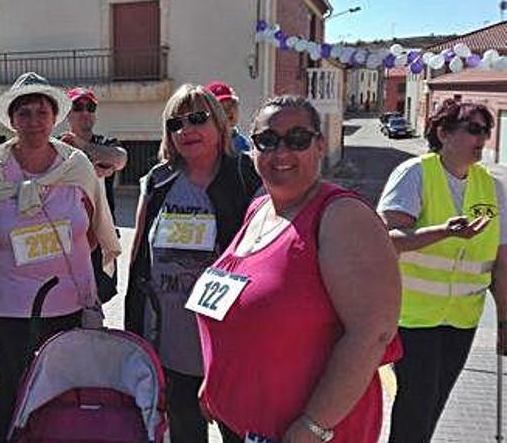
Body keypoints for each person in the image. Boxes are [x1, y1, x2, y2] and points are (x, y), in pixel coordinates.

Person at [196, 95, 401, 443]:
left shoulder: (341, 216)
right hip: (247, 424)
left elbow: (372, 334)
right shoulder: (260, 208)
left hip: (306, 432)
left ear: (320, 145)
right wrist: (215, 383)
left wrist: (313, 426)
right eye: (267, 140)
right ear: (251, 147)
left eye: (297, 139)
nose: (281, 152)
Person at [0, 72, 120, 443]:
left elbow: (92, 234)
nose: (34, 121)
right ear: (12, 120)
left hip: (66, 305)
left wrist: (91, 298)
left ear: (54, 118)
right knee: (11, 390)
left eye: (42, 112)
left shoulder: (78, 166)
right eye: (24, 113)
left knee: (61, 393)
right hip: (7, 310)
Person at [124, 84, 261, 442]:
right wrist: (135, 333)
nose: (186, 130)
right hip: (173, 343)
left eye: (198, 119)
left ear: (219, 125)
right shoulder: (158, 181)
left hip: (232, 347)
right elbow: (139, 261)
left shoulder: (247, 178)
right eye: (176, 123)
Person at [378, 100, 507, 443]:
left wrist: (505, 322)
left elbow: (502, 261)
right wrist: (445, 231)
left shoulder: (493, 188)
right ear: (444, 132)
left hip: (462, 319)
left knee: (433, 404)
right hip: (412, 316)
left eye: (487, 130)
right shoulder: (415, 173)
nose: (484, 137)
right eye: (474, 129)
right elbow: (388, 238)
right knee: (417, 404)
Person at [60, 86, 127, 303]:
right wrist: (91, 167)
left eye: (90, 107)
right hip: (68, 237)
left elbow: (119, 159)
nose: (85, 112)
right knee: (69, 297)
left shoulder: (106, 143)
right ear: (67, 114)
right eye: (78, 107)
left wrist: (80, 146)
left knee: (100, 294)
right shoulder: (56, 148)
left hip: (102, 235)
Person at [205, 81, 250, 153]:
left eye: (232, 105)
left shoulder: (244, 144)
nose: (228, 111)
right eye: (221, 107)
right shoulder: (205, 143)